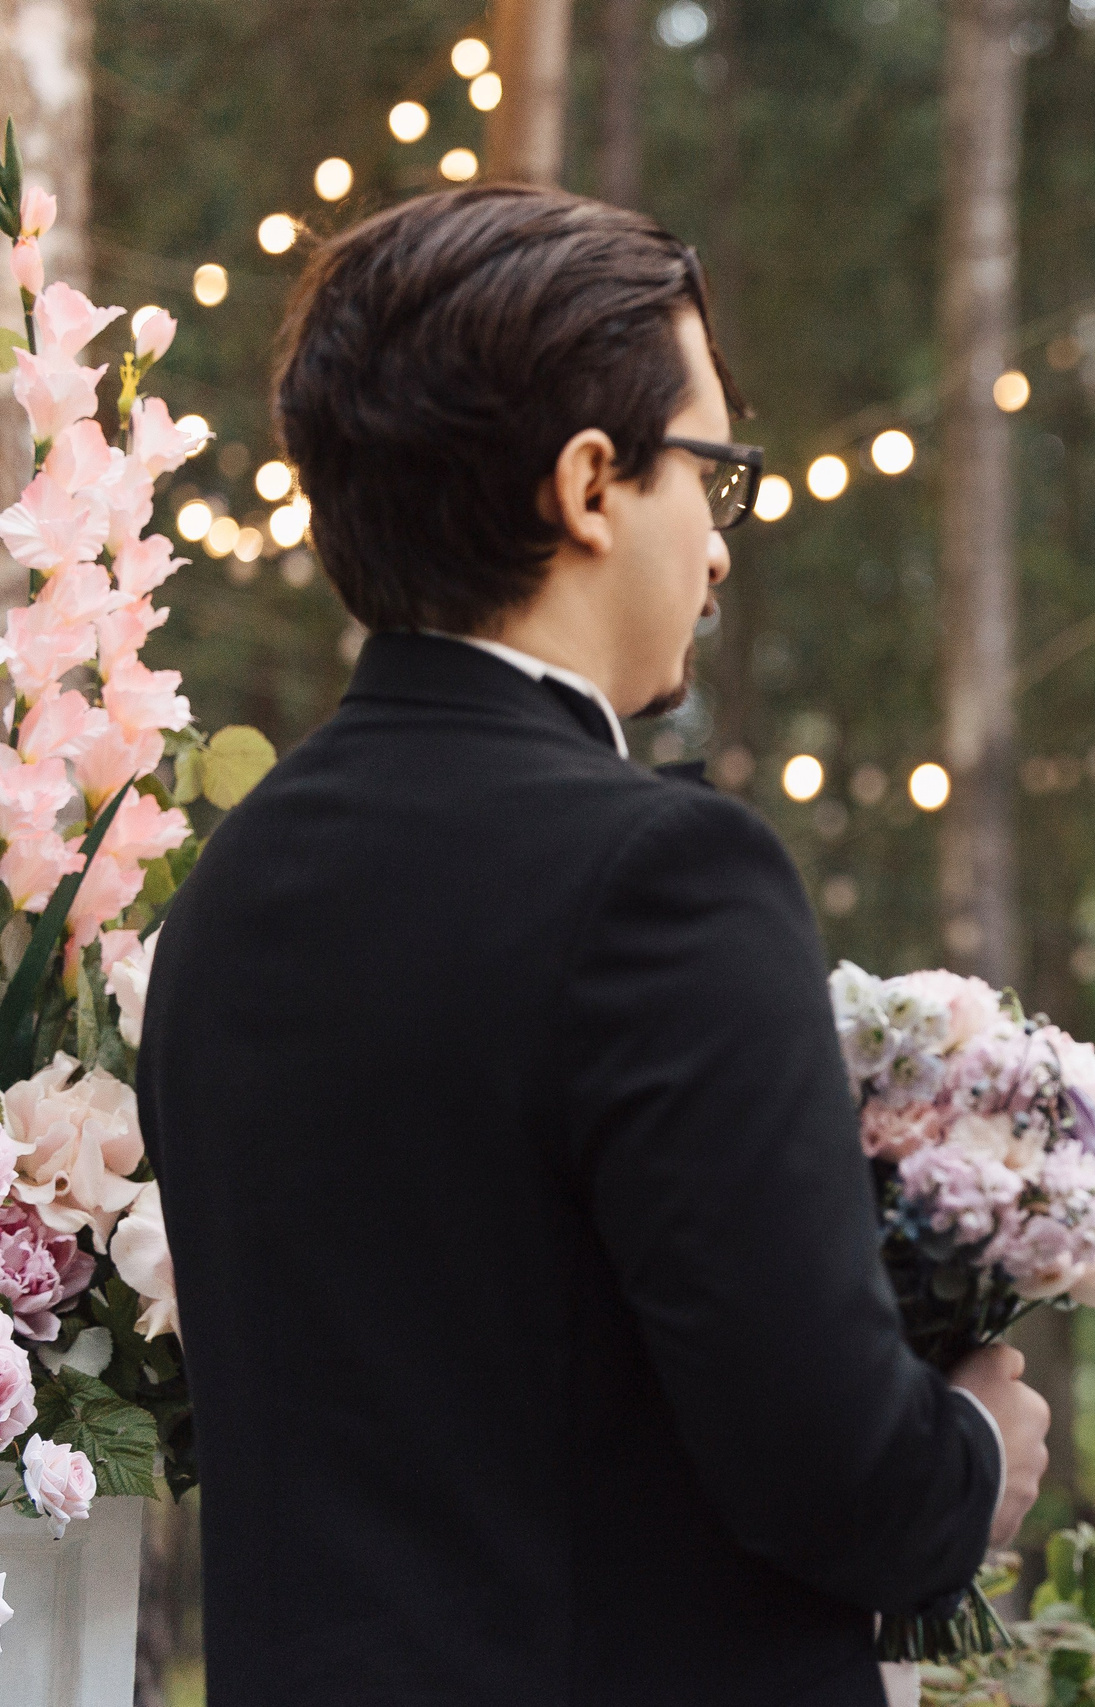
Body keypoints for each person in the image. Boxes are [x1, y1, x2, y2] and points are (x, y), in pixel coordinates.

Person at [136, 184, 1048, 1707]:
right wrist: (971, 1454)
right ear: (589, 486)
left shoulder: (232, 893)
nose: (720, 550)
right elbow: (834, 1474)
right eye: (716, 476)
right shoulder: (660, 877)